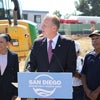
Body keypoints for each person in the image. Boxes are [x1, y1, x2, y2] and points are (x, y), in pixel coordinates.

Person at [25, 14, 77, 100]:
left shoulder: (68, 44)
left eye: (44, 25)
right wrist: (28, 73)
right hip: (40, 93)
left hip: (60, 94)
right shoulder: (37, 43)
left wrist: (55, 90)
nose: (41, 27)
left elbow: (71, 69)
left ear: (54, 28)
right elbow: (32, 64)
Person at [81, 30, 100, 100]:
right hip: (89, 95)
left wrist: (96, 92)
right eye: (92, 39)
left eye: (97, 38)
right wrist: (87, 91)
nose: (94, 41)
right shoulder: (88, 56)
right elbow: (83, 74)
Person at [0, 33, 19, 100]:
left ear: (7, 43)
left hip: (8, 90)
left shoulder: (14, 56)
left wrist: (15, 92)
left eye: (1, 42)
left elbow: (16, 74)